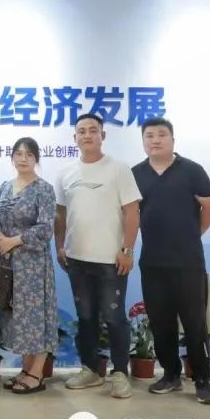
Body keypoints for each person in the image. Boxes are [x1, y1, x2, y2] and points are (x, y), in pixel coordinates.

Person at [132, 117, 210, 405]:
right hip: (152, 261)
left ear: (172, 139)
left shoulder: (192, 170)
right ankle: (170, 374)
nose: (155, 140)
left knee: (194, 322)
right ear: (143, 141)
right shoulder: (136, 174)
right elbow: (130, 215)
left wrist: (194, 233)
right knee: (160, 322)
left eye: (161, 135)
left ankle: (202, 378)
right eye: (149, 136)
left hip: (188, 261)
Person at [55, 113, 141, 399]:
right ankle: (91, 369)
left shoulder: (118, 169)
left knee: (114, 318)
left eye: (93, 130)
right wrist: (60, 246)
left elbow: (132, 211)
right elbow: (60, 214)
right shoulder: (65, 172)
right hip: (76, 259)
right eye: (82, 131)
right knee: (86, 317)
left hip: (111, 260)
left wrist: (127, 250)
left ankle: (120, 373)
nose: (87, 135)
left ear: (102, 135)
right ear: (75, 138)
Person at [0, 137, 57, 395]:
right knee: (17, 316)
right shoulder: (5, 186)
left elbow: (45, 229)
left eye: (29, 154)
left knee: (35, 317)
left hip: (33, 264)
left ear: (36, 159)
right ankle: (25, 368)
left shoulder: (44, 189)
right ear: (12, 157)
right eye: (18, 153)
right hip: (9, 263)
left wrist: (13, 241)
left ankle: (36, 373)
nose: (23, 158)